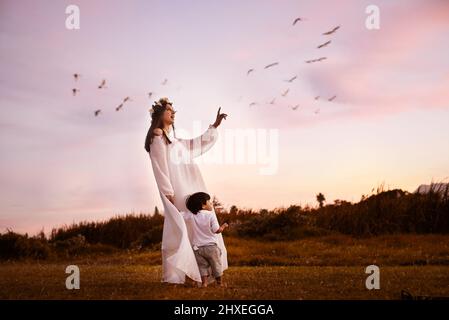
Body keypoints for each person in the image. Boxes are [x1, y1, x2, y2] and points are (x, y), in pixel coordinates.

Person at [145, 97, 228, 284]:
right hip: (177, 189)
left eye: (173, 110)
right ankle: (176, 274)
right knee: (179, 228)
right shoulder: (157, 137)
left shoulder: (174, 140)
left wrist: (214, 126)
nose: (173, 113)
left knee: (195, 227)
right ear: (159, 114)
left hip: (190, 184)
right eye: (169, 110)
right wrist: (168, 192)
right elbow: (160, 167)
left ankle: (197, 274)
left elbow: (196, 143)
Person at [183, 192, 229, 287]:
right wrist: (224, 226)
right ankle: (219, 283)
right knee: (216, 265)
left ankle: (204, 283)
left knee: (202, 266)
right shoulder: (210, 215)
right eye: (209, 202)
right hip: (211, 247)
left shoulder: (191, 215)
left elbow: (179, 215)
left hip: (197, 248)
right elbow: (216, 230)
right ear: (203, 205)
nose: (211, 204)